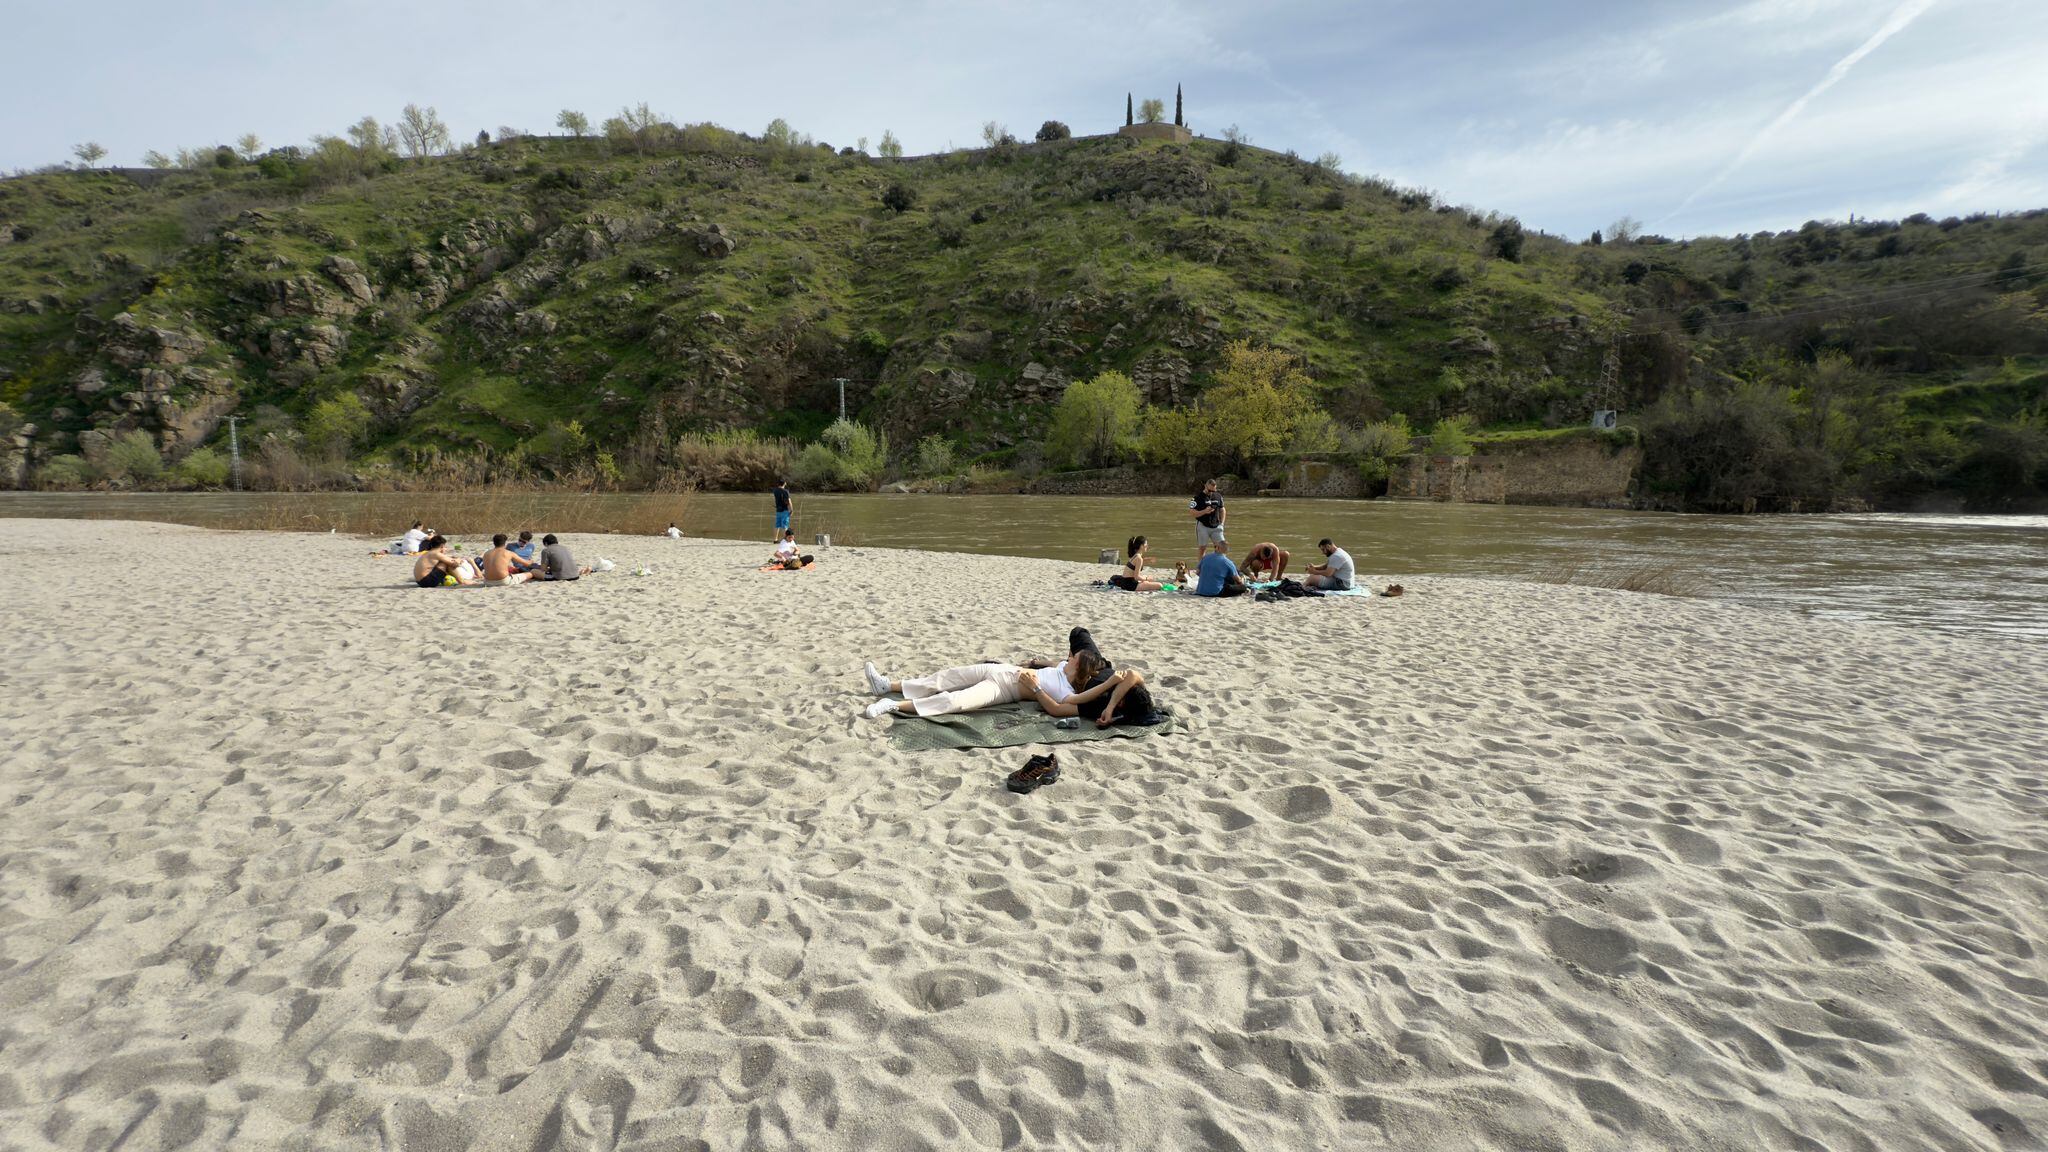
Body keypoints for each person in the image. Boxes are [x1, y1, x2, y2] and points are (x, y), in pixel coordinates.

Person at [861, 645, 1147, 725]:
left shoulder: (1069, 693)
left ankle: (892, 705)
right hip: (1004, 670)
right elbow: (1051, 663)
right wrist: (1037, 662)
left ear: (1079, 667)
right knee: (945, 677)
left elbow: (1062, 709)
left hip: (1004, 689)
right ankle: (887, 685)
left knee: (956, 701)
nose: (1068, 657)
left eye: (1074, 658)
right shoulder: (1060, 667)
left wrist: (1034, 688)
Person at [1107, 535, 1172, 592]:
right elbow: (1136, 577)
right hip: (1130, 585)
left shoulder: (1135, 556)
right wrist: (1147, 579)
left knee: (1146, 578)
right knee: (1159, 585)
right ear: (1141, 546)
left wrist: (1147, 560)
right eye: (1146, 544)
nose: (1147, 546)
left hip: (1125, 582)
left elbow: (1135, 565)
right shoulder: (1139, 558)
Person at [411, 536, 478, 587]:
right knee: (447, 563)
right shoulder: (436, 554)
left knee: (444, 562)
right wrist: (459, 560)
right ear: (442, 546)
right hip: (427, 581)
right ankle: (462, 581)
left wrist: (452, 558)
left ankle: (460, 580)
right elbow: (454, 564)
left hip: (420, 582)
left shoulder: (428, 553)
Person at [1188, 478, 1225, 554]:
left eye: (1213, 491)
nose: (1211, 493)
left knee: (1221, 547)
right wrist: (1204, 511)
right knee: (1202, 548)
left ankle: (1217, 565)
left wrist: (1222, 524)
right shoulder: (1197, 497)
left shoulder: (1218, 496)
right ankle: (1201, 565)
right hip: (1203, 526)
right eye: (1209, 490)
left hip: (1216, 525)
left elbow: (1222, 509)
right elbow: (1192, 512)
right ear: (1205, 486)